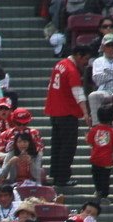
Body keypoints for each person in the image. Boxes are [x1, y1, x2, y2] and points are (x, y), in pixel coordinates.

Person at [44, 44, 91, 189]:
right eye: (86, 59)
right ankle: (63, 178)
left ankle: (55, 175)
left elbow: (50, 86)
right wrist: (85, 113)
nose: (86, 63)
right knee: (68, 147)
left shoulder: (59, 65)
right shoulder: (72, 70)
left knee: (57, 144)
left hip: (55, 111)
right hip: (67, 112)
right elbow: (78, 93)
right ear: (78, 56)